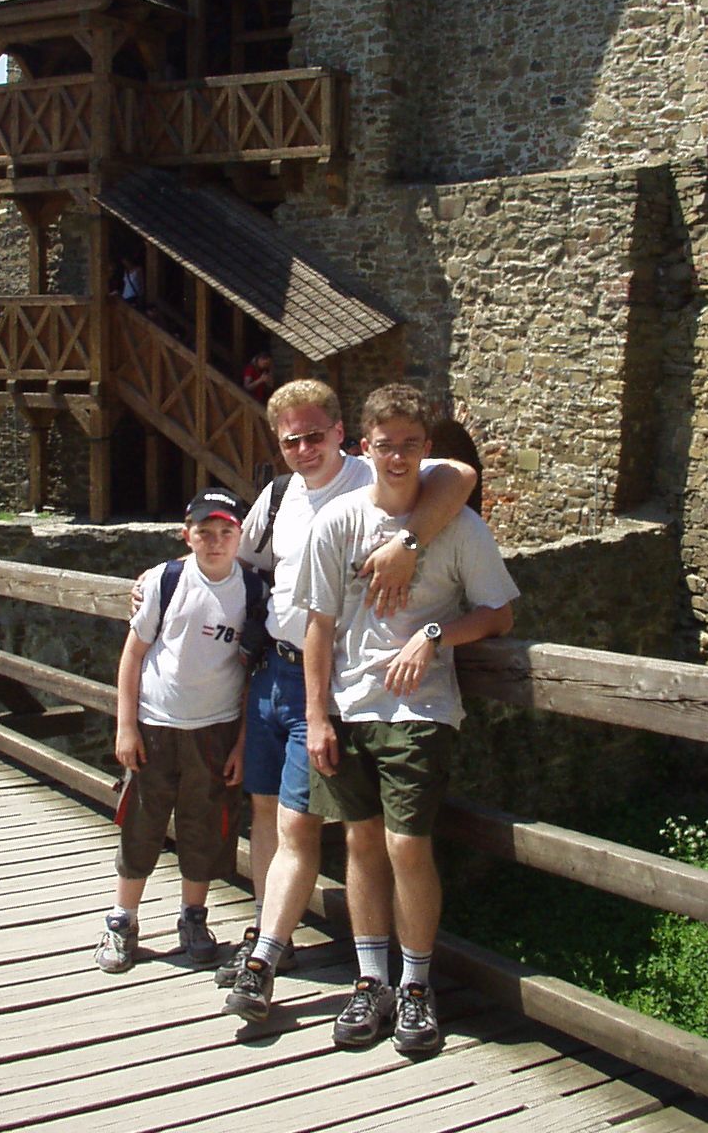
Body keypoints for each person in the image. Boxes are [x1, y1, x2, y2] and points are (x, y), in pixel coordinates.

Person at [218, 379, 477, 1010]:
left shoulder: (374, 471)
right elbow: (240, 561)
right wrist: (165, 578)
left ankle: (269, 957)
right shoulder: (280, 495)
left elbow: (461, 476)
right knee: (267, 811)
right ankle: (271, 935)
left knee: (305, 823)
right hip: (275, 671)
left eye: (315, 436)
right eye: (291, 441)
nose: (304, 449)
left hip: (333, 678)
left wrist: (407, 543)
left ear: (343, 434)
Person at [297, 384, 518, 1054]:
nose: (397, 458)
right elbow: (319, 626)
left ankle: (416, 986)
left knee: (406, 845)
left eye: (410, 446)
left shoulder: (459, 526)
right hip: (349, 704)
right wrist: (316, 717)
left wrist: (433, 634)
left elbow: (499, 614)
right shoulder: (338, 521)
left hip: (420, 709)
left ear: (427, 450)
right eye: (386, 445)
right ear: (365, 447)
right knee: (360, 843)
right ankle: (372, 982)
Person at [95, 488, 264, 974]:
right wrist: (126, 726)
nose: (215, 542)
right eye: (204, 532)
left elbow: (252, 673)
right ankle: (122, 919)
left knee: (205, 826)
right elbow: (133, 654)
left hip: (216, 729)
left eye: (226, 532)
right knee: (141, 823)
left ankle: (193, 916)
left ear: (240, 536)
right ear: (186, 535)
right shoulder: (165, 581)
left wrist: (241, 743)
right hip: (156, 725)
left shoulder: (254, 592)